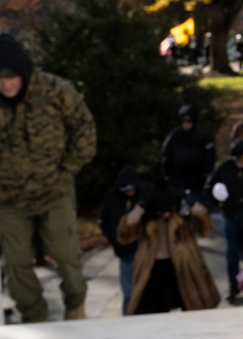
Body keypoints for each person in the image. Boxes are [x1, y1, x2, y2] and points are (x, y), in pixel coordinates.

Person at [0, 33, 95, 323]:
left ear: (24, 74)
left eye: (11, 78)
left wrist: (69, 168)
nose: (6, 86)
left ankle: (75, 305)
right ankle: (34, 315)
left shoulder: (55, 91)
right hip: (9, 198)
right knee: (16, 263)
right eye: (0, 80)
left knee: (65, 254)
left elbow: (84, 129)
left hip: (54, 191)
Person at [117, 181, 220, 315]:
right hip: (153, 268)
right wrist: (139, 207)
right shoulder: (147, 220)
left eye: (169, 210)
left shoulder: (182, 219)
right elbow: (124, 236)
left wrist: (195, 206)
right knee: (148, 313)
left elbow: (205, 230)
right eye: (161, 212)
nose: (166, 215)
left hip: (184, 266)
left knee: (195, 310)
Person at [207, 140, 243, 302]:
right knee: (232, 252)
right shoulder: (225, 169)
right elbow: (211, 186)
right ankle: (233, 285)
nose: (239, 162)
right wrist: (215, 200)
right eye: (236, 159)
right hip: (231, 217)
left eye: (242, 158)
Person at [98, 165, 153, 315]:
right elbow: (104, 219)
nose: (128, 192)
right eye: (124, 189)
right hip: (125, 252)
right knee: (129, 294)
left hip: (145, 252)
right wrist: (113, 238)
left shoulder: (146, 193)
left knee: (147, 293)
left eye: (131, 188)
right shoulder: (112, 196)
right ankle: (129, 320)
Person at [161, 104, 216, 205]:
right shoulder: (173, 137)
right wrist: (167, 176)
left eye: (189, 121)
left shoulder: (203, 137)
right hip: (177, 183)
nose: (186, 124)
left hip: (198, 183)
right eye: (183, 121)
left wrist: (205, 175)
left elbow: (210, 158)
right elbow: (166, 157)